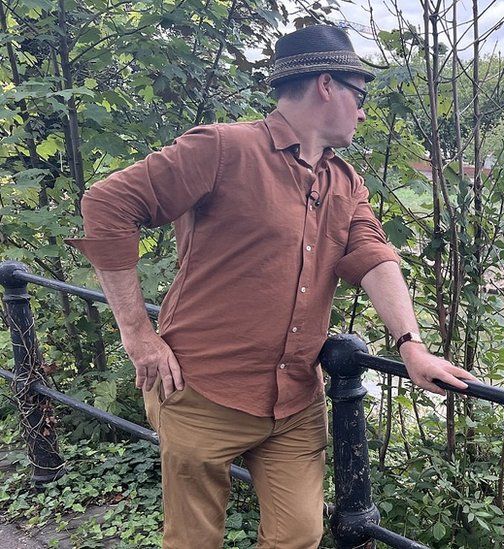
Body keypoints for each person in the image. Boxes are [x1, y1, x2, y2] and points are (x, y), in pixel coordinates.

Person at [67, 24, 475, 549]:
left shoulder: (345, 181)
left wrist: (411, 346)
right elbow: (107, 205)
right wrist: (137, 335)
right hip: (199, 389)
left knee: (300, 536)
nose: (365, 111)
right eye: (361, 94)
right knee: (192, 541)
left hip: (296, 403)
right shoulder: (222, 149)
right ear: (327, 85)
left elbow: (373, 257)